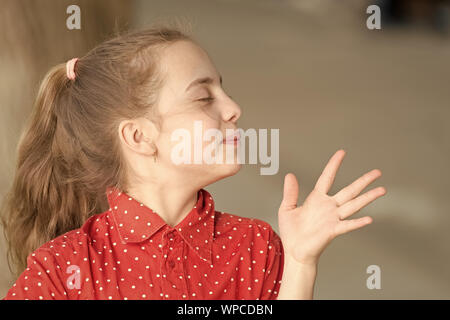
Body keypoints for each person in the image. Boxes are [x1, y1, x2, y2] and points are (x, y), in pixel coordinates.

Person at [0, 25, 386, 300]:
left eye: (223, 89)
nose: (234, 108)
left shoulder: (256, 247)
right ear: (139, 137)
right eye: (204, 98)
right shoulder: (62, 270)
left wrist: (301, 262)